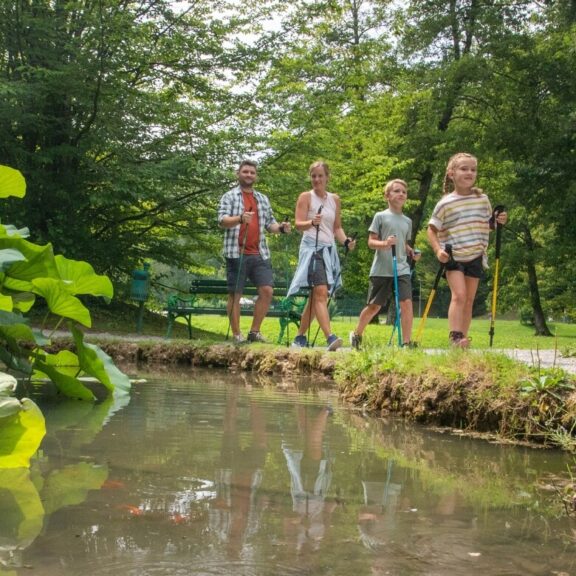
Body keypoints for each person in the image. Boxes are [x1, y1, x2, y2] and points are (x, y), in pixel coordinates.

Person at [427, 152, 507, 348]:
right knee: (460, 295)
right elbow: (431, 230)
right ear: (451, 173)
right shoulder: (445, 203)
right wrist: (438, 251)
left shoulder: (482, 199)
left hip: (476, 254)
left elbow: (488, 224)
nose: (469, 172)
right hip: (454, 255)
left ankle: (463, 338)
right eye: (464, 169)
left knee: (469, 299)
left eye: (473, 169)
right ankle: (454, 337)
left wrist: (499, 221)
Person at [218, 160, 291, 343]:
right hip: (236, 252)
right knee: (236, 294)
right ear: (238, 174)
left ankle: (254, 332)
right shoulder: (229, 196)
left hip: (259, 253)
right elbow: (222, 221)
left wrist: (281, 228)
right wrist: (240, 219)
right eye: (245, 172)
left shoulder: (262, 199)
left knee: (267, 290)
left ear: (256, 176)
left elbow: (270, 224)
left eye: (252, 172)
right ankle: (237, 335)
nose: (249, 175)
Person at [288, 161, 356, 351]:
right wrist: (311, 221)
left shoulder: (335, 199)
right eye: (313, 176)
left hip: (328, 249)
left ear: (327, 177)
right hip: (312, 248)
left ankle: (299, 338)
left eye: (320, 176)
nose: (316, 179)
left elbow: (337, 228)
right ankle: (330, 337)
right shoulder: (305, 197)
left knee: (316, 296)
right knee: (321, 292)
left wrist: (346, 242)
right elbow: (298, 224)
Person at [349, 179, 421, 350]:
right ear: (387, 196)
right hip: (382, 269)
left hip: (401, 268)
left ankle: (406, 343)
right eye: (396, 191)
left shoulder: (407, 221)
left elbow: (403, 243)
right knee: (374, 306)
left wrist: (411, 251)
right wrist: (385, 244)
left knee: (406, 303)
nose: (401, 194)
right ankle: (357, 334)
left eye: (404, 192)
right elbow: (371, 242)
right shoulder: (380, 216)